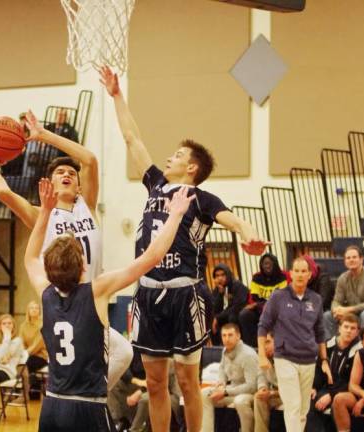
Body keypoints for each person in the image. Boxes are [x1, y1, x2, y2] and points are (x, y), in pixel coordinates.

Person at [100, 65, 267, 432]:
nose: (169, 157)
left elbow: (234, 220)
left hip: (185, 296)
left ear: (191, 167)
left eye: (177, 154)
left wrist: (248, 235)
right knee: (156, 384)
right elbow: (132, 139)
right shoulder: (156, 184)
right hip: (146, 295)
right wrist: (117, 95)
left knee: (188, 384)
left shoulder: (202, 197)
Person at [0, 110, 134, 392]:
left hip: (93, 299)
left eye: (71, 173)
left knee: (122, 353)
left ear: (78, 185)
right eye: (60, 172)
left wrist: (43, 135)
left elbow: (89, 160)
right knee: (106, 357)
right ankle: (79, 397)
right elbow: (3, 193)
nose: (67, 174)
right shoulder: (42, 215)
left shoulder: (87, 207)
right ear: (49, 184)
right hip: (63, 303)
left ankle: (82, 395)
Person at [24, 179, 192, 431]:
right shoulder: (96, 290)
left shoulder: (44, 292)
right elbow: (151, 257)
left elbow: (29, 258)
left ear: (49, 270)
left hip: (52, 406)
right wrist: (175, 215)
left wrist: (46, 212)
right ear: (83, 267)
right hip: (87, 406)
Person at [257, 256, 332, 432]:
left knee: (303, 410)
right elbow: (263, 326)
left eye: (303, 271)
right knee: (293, 406)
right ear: (291, 274)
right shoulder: (278, 297)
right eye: (296, 271)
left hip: (309, 360)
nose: (299, 274)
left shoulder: (316, 299)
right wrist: (261, 354)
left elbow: (320, 332)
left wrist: (324, 360)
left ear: (310, 274)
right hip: (285, 358)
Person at [306, 314, 361, 431]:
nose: (349, 331)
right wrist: (314, 387)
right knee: (308, 400)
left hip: (347, 390)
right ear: (339, 328)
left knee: (336, 402)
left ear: (357, 332)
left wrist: (331, 395)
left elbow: (353, 382)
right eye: (346, 327)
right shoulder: (326, 345)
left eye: (353, 328)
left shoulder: (360, 351)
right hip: (326, 388)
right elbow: (319, 370)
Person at [201, 323, 257, 432]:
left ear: (238, 336)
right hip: (232, 390)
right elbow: (222, 369)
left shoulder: (248, 355)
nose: (227, 339)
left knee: (240, 401)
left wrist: (226, 391)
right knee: (204, 394)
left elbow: (252, 386)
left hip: (249, 393)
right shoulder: (225, 350)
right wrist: (221, 383)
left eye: (230, 335)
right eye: (224, 335)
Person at [240, 253, 288, 347]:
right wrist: (261, 305)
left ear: (275, 264)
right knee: (244, 315)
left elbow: (281, 298)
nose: (267, 266)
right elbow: (254, 297)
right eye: (264, 264)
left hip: (276, 310)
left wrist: (262, 304)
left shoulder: (282, 277)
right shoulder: (257, 278)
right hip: (259, 309)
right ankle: (252, 346)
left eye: (269, 263)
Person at [210, 264, 249, 346]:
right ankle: (218, 348)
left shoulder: (237, 285)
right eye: (217, 276)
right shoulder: (217, 290)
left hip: (239, 314)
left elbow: (237, 307)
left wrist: (218, 318)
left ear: (228, 274)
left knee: (232, 317)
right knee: (211, 322)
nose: (220, 278)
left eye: (223, 275)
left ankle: (240, 344)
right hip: (225, 315)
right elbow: (214, 309)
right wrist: (220, 295)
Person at [254, 333, 282, 432]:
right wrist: (262, 389)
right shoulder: (263, 355)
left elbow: (291, 389)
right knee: (259, 398)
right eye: (262, 343)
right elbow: (261, 375)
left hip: (292, 394)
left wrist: (271, 393)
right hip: (276, 393)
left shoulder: (287, 357)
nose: (264, 346)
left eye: (267, 342)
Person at [19, 301, 48, 374]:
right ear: (28, 311)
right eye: (31, 308)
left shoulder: (43, 325)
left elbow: (37, 345)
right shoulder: (23, 326)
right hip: (26, 355)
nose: (34, 310)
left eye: (36, 308)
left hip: (41, 356)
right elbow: (20, 343)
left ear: (39, 311)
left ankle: (28, 383)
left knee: (28, 363)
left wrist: (24, 354)